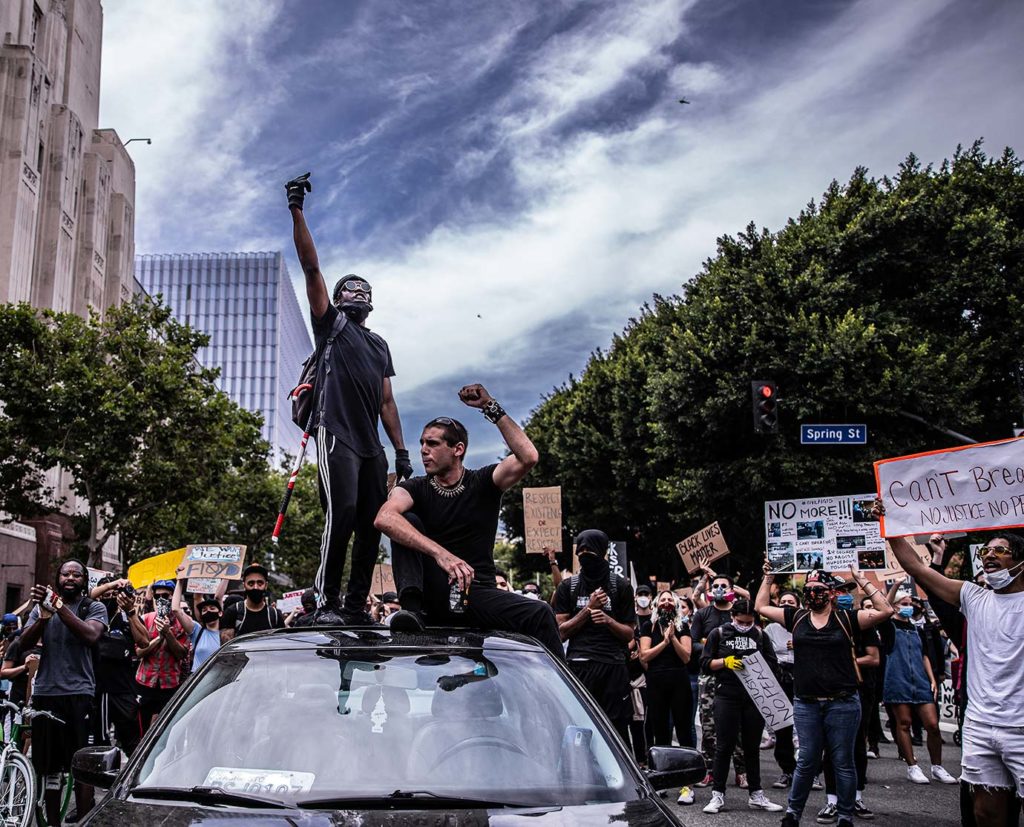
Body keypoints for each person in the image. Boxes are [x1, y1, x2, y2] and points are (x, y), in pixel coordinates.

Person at [286, 172, 413, 624]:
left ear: (371, 302)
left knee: (370, 527)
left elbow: (388, 403)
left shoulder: (379, 345)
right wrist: (297, 208)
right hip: (335, 435)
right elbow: (311, 268)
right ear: (339, 299)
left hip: (371, 448)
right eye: (349, 289)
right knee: (338, 518)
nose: (357, 293)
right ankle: (325, 604)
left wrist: (400, 452)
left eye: (364, 290)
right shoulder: (332, 327)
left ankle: (357, 606)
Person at [374, 385, 562, 657]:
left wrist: (490, 406)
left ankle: (560, 697)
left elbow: (528, 457)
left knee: (540, 613)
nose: (424, 450)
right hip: (433, 595)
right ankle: (412, 612)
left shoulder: (483, 481)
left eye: (433, 444)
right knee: (406, 519)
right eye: (422, 444)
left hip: (475, 593)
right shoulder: (416, 487)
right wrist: (442, 555)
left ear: (457, 449)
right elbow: (384, 517)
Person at [885, 520, 1024, 827]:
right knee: (985, 814)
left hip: (1021, 727)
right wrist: (891, 525)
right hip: (980, 725)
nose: (989, 555)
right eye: (986, 550)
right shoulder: (973, 596)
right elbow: (918, 569)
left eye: (1001, 550)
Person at [755, 567, 893, 827]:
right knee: (807, 760)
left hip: (842, 703)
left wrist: (863, 580)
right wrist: (769, 577)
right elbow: (760, 606)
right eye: (808, 590)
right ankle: (792, 815)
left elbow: (886, 611)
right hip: (806, 703)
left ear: (831, 594)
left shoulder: (848, 619)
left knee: (843, 761)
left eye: (818, 590)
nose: (812, 594)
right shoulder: (795, 616)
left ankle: (844, 816)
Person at [19, 560, 107, 825]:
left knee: (81, 767)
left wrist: (58, 608)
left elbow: (90, 635)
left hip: (79, 693)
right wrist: (43, 619)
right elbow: (22, 644)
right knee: (48, 768)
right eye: (65, 574)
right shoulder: (41, 609)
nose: (70, 578)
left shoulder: (93, 607)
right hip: (46, 693)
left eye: (76, 574)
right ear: (57, 579)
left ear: (84, 580)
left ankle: (82, 820)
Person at [700, 598, 784, 814]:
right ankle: (717, 795)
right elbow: (704, 663)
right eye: (740, 622)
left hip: (753, 698)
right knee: (724, 746)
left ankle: (756, 794)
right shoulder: (718, 634)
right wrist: (725, 662)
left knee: (751, 748)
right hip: (726, 695)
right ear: (732, 617)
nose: (744, 626)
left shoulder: (760, 635)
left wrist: (758, 665)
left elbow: (773, 664)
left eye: (748, 622)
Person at [554, 530, 636, 744]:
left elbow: (629, 633)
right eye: (580, 550)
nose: (584, 554)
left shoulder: (621, 586)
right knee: (578, 728)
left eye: (589, 550)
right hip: (579, 666)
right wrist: (587, 610)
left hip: (613, 667)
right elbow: (560, 633)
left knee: (616, 730)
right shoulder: (568, 587)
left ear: (602, 552)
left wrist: (609, 621)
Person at [818, 581, 884, 822]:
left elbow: (873, 658)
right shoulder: (820, 620)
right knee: (830, 748)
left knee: (856, 745)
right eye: (837, 591)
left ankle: (856, 797)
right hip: (827, 690)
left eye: (847, 591)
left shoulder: (861, 621)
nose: (842, 595)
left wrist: (845, 660)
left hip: (858, 691)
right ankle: (832, 801)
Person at [879, 589, 956, 786]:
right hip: (898, 679)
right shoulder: (888, 627)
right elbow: (883, 608)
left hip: (920, 681)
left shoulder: (917, 629)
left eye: (910, 604)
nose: (909, 607)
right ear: (895, 606)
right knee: (903, 723)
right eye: (904, 603)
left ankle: (937, 767)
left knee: (932, 725)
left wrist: (931, 679)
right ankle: (912, 766)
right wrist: (895, 586)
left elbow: (924, 656)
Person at [691, 573, 747, 789]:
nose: (719, 589)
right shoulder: (703, 614)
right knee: (708, 726)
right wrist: (713, 648)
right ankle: (710, 771)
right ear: (710, 590)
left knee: (739, 726)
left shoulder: (738, 614)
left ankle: (741, 771)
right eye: (716, 586)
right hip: (710, 676)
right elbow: (693, 644)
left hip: (737, 677)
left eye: (724, 585)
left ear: (732, 589)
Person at [639, 590, 694, 805]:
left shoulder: (683, 626)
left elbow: (686, 657)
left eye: (670, 599)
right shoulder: (647, 627)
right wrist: (663, 641)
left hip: (679, 681)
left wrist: (673, 638)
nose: (667, 602)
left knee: (683, 731)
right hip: (656, 682)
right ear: (656, 605)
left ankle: (687, 785)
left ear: (676, 604)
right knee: (659, 731)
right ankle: (661, 780)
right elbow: (644, 655)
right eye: (663, 599)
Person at [90, 577, 143, 757]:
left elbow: (144, 641)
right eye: (106, 594)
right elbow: (87, 595)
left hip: (124, 688)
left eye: (114, 594)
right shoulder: (90, 616)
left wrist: (131, 611)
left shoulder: (125, 616)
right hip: (100, 689)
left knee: (132, 737)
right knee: (100, 740)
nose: (110, 597)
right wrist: (112, 584)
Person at [130, 579, 190, 730]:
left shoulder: (182, 621)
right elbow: (139, 652)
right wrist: (159, 638)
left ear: (173, 597)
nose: (161, 599)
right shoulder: (146, 619)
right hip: (146, 682)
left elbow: (182, 654)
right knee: (142, 726)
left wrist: (168, 634)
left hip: (169, 683)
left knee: (167, 728)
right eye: (157, 596)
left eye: (166, 596)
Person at [763, 588, 798, 791]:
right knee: (782, 727)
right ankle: (787, 770)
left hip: (802, 678)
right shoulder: (770, 629)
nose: (786, 605)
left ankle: (812, 773)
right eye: (783, 601)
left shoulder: (806, 623)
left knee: (806, 728)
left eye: (791, 602)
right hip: (779, 678)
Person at [170, 571, 226, 673]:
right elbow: (176, 609)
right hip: (199, 682)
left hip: (220, 682)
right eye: (204, 610)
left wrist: (227, 575)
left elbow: (218, 597)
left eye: (212, 608)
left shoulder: (228, 634)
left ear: (220, 613)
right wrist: (180, 581)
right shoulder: (197, 631)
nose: (208, 611)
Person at [220, 564, 286, 642]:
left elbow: (280, 644)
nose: (255, 587)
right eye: (251, 583)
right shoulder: (233, 612)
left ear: (266, 585)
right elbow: (227, 648)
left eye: (260, 583)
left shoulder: (274, 615)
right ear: (244, 585)